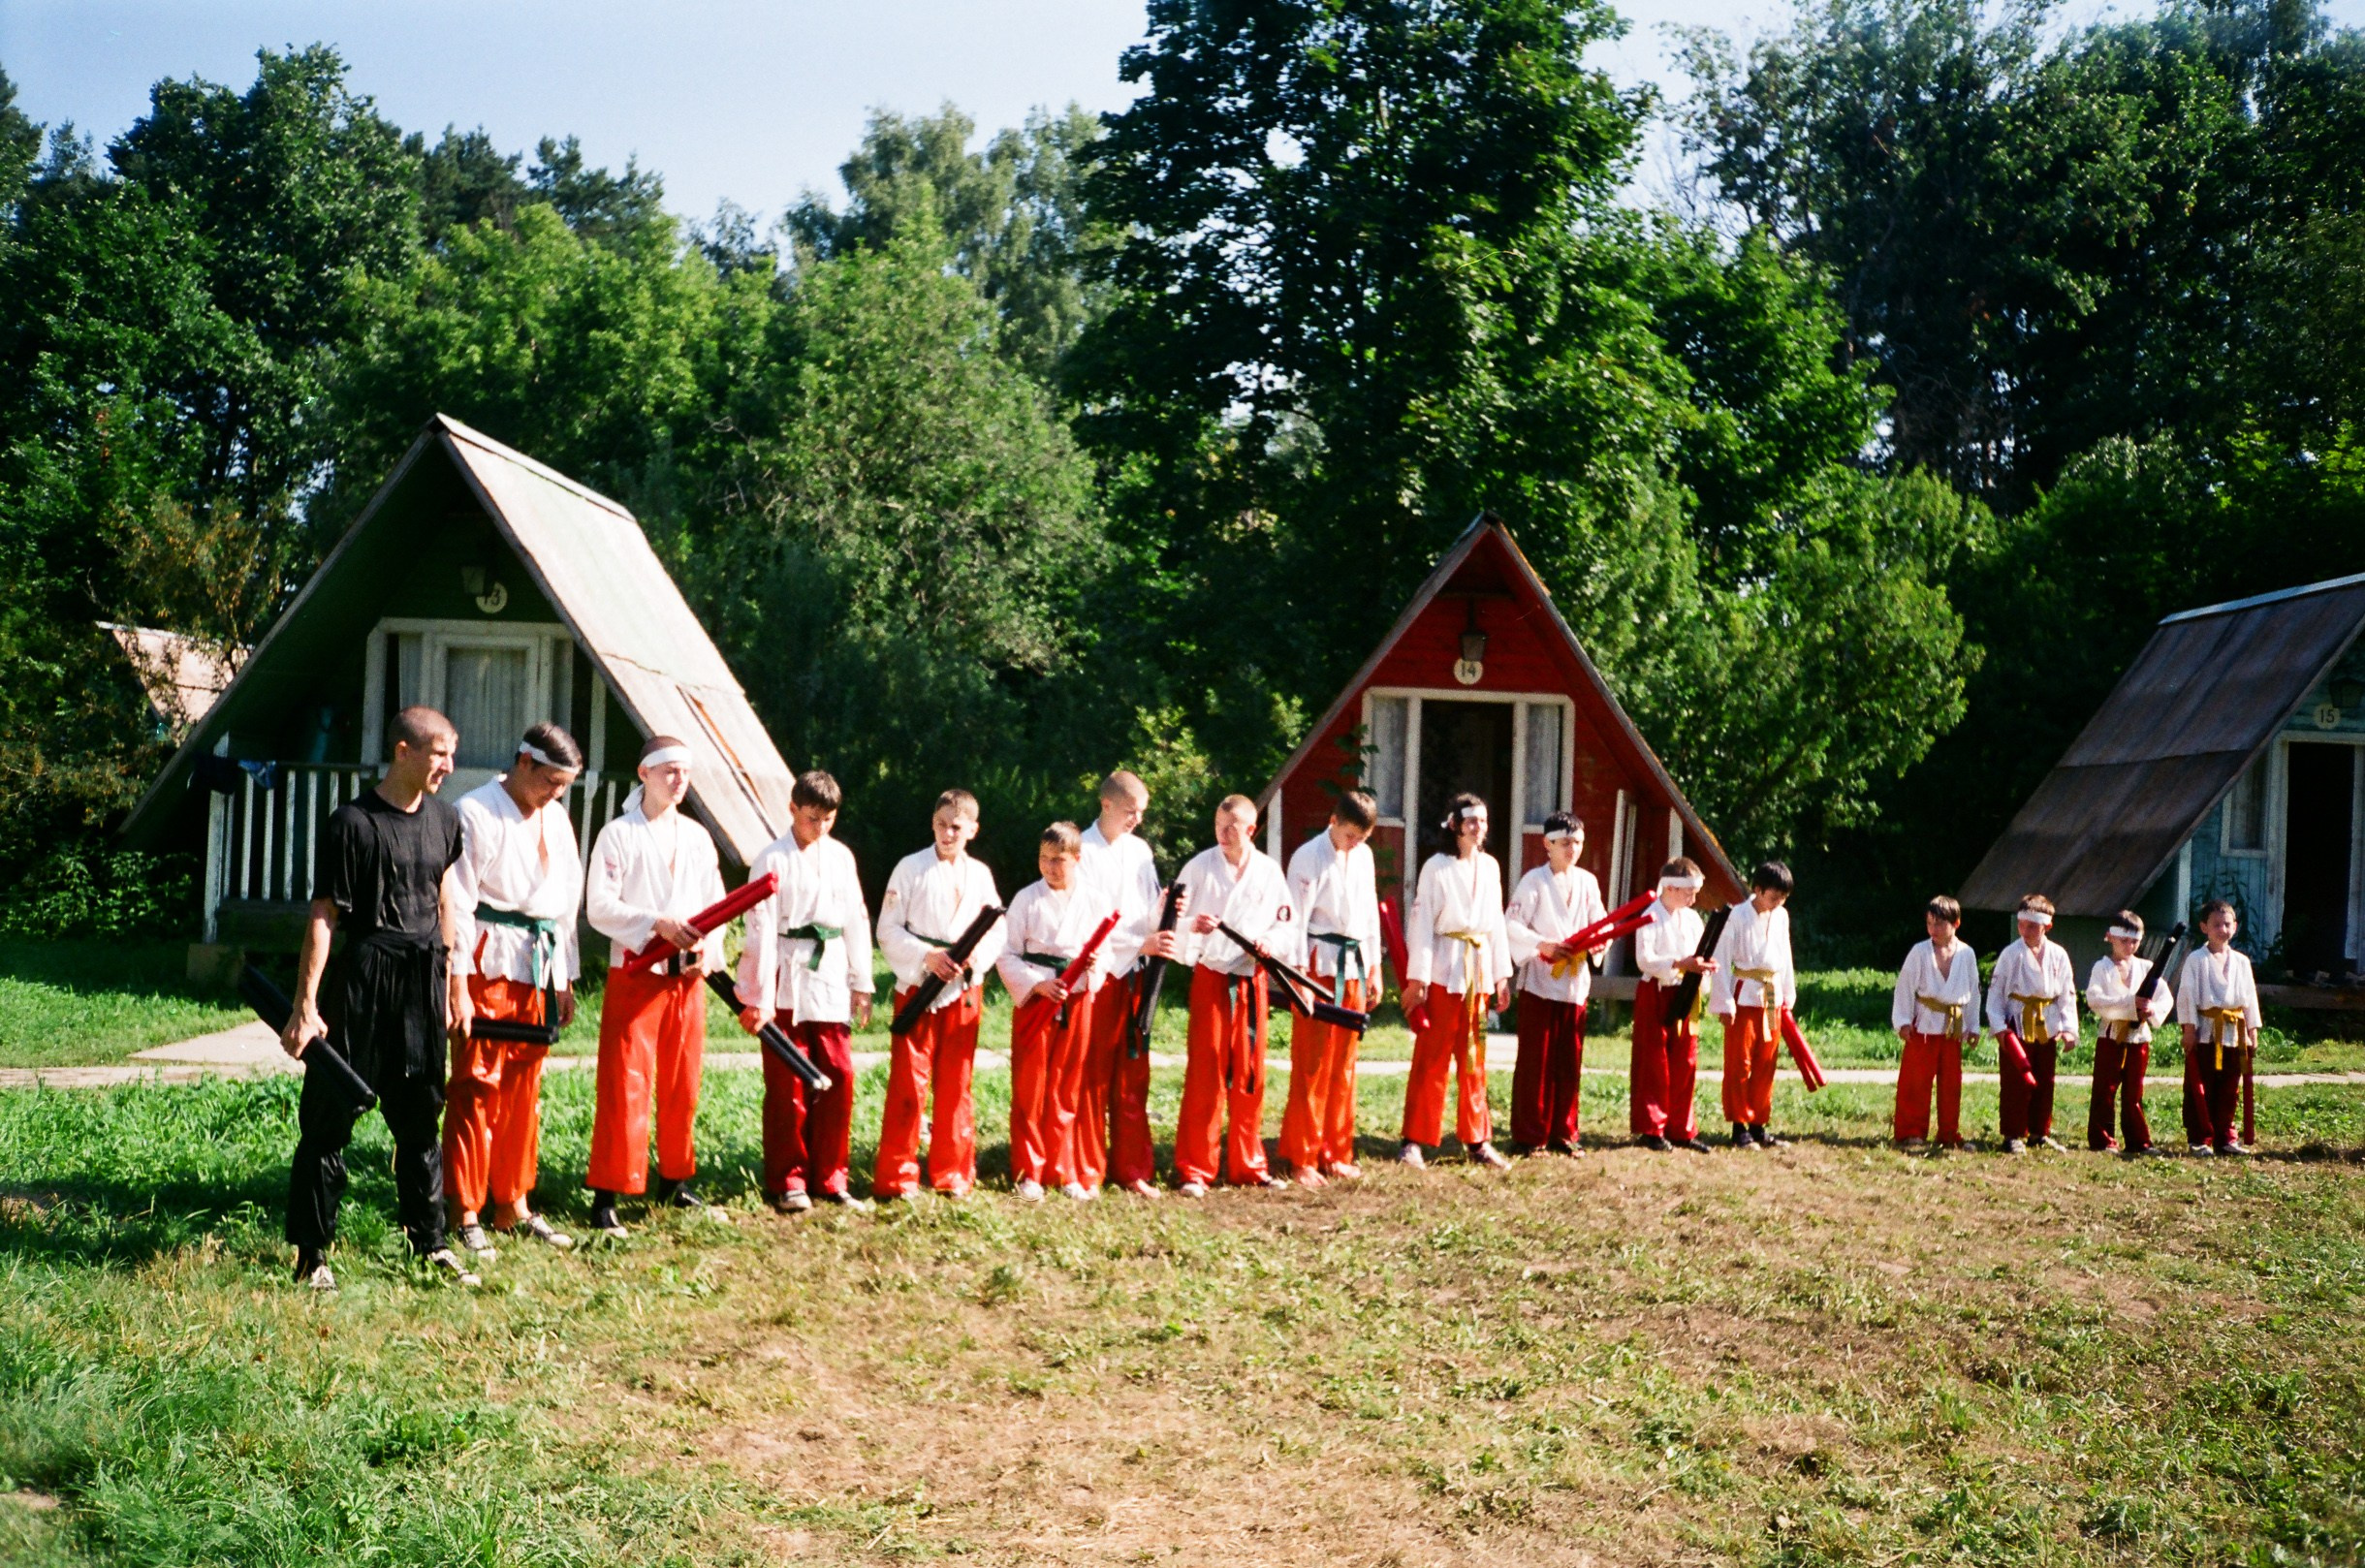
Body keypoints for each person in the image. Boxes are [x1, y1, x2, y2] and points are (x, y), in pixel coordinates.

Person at [281, 705, 478, 1290]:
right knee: (329, 1117)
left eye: (451, 754)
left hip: (422, 979)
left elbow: (444, 899)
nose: (448, 766)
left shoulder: (445, 820)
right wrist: (306, 1006)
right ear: (403, 751)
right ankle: (312, 1255)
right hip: (365, 977)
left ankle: (431, 1243)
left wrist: (453, 984)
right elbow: (324, 915)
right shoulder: (353, 823)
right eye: (439, 754)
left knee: (421, 1119)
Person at [444, 722, 584, 1257]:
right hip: (489, 959)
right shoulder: (475, 811)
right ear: (524, 762)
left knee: (525, 1086)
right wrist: (457, 983)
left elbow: (565, 904)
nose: (556, 794)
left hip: (538, 965)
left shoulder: (557, 818)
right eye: (550, 782)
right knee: (476, 1083)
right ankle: (465, 1208)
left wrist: (564, 977)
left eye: (564, 786)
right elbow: (457, 904)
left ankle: (514, 1203)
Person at [583, 736, 727, 1238]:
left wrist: (708, 951)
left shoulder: (698, 837)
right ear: (644, 773)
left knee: (683, 1082)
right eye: (669, 770)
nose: (678, 780)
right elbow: (600, 907)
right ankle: (608, 1192)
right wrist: (654, 923)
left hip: (686, 979)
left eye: (685, 772)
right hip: (637, 973)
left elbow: (717, 904)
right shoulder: (618, 835)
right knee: (626, 1082)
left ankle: (675, 1180)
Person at [740, 770, 873, 1211]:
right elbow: (759, 929)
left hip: (830, 969)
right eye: (812, 818)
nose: (820, 827)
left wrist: (862, 981)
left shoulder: (841, 857)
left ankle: (831, 1177)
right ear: (793, 809)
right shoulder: (771, 859)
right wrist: (758, 997)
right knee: (788, 1083)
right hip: (785, 970)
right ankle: (790, 1179)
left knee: (839, 1073)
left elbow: (855, 918)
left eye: (828, 819)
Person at [874, 789, 1005, 1202]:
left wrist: (975, 958)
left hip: (963, 988)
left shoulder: (980, 875)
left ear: (973, 830)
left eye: (957, 827)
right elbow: (887, 929)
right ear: (932, 823)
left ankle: (953, 1172)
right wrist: (926, 956)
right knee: (908, 1083)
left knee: (957, 1083)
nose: (948, 834)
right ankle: (898, 1174)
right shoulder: (910, 868)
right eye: (942, 825)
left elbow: (996, 929)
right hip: (918, 984)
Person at [1172, 795, 1295, 1195]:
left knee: (1249, 1072)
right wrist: (1194, 925)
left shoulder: (1268, 872)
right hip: (1211, 975)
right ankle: (1196, 1169)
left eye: (1232, 828)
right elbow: (1169, 917)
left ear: (1251, 830)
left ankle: (1249, 1164)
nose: (1222, 834)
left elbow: (1286, 925)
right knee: (1206, 1071)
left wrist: (1268, 943)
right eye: (1218, 826)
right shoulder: (1199, 867)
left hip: (1250, 978)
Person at [1399, 793, 1514, 1171]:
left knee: (1473, 1058)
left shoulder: (1491, 867)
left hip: (1477, 972)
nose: (1479, 827)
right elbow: (1421, 924)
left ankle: (1477, 1139)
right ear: (1454, 825)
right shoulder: (1436, 867)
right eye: (1471, 821)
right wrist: (1418, 978)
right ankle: (1414, 1140)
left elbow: (1496, 923)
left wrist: (1501, 976)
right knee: (1432, 1057)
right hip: (1444, 971)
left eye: (1483, 821)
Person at [1079, 770, 1178, 1200]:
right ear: (1106, 805)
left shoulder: (1140, 850)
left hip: (1138, 972)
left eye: (1142, 812)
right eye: (1130, 810)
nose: (1137, 819)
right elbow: (1086, 921)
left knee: (1134, 1073)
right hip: (1099, 972)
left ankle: (1133, 1168)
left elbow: (1147, 912)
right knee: (1093, 1073)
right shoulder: (1081, 850)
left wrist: (1166, 910)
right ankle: (1086, 1169)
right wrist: (1140, 943)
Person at [1278, 789, 1382, 1185]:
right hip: (1318, 967)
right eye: (1351, 835)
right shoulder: (1308, 856)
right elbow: (1295, 922)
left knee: (1345, 1065)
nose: (1355, 843)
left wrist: (1374, 968)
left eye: (1363, 838)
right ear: (1333, 821)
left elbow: (1370, 915)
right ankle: (1303, 1156)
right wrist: (1299, 978)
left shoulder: (1364, 857)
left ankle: (1336, 1152)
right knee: (1312, 1065)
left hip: (1354, 965)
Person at [997, 822, 1107, 1201]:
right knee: (1031, 1085)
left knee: (1067, 1084)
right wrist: (1037, 983)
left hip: (1076, 996)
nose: (1051, 867)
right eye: (1044, 859)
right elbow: (1006, 953)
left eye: (1059, 860)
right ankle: (1030, 1171)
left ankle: (1064, 1169)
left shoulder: (1093, 900)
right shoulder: (1026, 899)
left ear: (1077, 858)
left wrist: (1093, 964)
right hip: (1038, 998)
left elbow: (1106, 951)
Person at [1502, 811, 1609, 1156]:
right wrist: (1542, 945)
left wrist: (1598, 943)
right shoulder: (1534, 881)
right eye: (1565, 842)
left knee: (1568, 1059)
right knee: (1537, 1060)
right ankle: (1530, 1134)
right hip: (1541, 980)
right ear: (1547, 844)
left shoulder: (1588, 882)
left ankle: (1564, 1131)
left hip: (1574, 981)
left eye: (1577, 842)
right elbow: (1511, 924)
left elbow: (1602, 924)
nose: (1572, 849)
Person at [1708, 862, 1797, 1149]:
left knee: (1766, 1060)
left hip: (1771, 995)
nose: (1778, 903)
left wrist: (1787, 994)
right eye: (1773, 897)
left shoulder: (1781, 916)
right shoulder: (1737, 915)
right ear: (1757, 890)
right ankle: (1739, 1126)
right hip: (1744, 994)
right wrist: (1724, 1002)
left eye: (1783, 898)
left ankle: (1759, 1123)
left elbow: (1785, 956)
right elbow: (1721, 960)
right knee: (1740, 1062)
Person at [1629, 859, 1716, 1152]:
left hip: (1685, 991)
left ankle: (1681, 1127)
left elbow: (1698, 953)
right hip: (1656, 991)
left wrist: (1703, 967)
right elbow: (1645, 960)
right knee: (1654, 1060)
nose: (1693, 898)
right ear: (1670, 888)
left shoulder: (1692, 919)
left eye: (1695, 892)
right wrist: (1679, 963)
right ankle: (1652, 1127)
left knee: (1685, 1058)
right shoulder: (1650, 916)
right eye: (1688, 892)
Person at [1985, 894, 2078, 1153]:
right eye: (2022, 925)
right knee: (2015, 1081)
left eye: (2032, 926)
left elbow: (2067, 993)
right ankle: (2012, 1134)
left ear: (2047, 926)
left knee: (2045, 1080)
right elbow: (1996, 993)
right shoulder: (2010, 954)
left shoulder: (2058, 954)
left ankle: (2039, 1131)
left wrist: (2069, 1028)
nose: (2025, 931)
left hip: (2047, 1023)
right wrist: (1999, 1027)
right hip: (2017, 1022)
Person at [1890, 895, 1980, 1152]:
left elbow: (1974, 991)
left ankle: (1948, 1133)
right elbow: (1904, 987)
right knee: (1915, 1081)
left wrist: (1973, 1026)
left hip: (1953, 1027)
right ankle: (1911, 1132)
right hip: (1924, 1025)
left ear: (1956, 923)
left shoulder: (1967, 954)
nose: (1933, 929)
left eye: (1939, 923)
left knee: (1951, 1084)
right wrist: (1903, 1021)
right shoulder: (1920, 952)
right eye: (1929, 923)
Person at [2085, 909, 2174, 1156]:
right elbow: (2095, 999)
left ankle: (2138, 1141)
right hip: (2111, 1035)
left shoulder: (2147, 968)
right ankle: (2102, 1139)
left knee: (2134, 1091)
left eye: (2134, 941)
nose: (2129, 945)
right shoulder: (2102, 968)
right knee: (2105, 1089)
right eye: (2124, 940)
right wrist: (2129, 1004)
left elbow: (2165, 998)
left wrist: (2151, 1009)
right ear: (2110, 937)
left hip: (2138, 1038)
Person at [2176, 898, 2260, 1157]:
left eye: (2227, 924)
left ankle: (2225, 1137)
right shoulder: (2196, 959)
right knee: (2201, 1085)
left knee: (2229, 1087)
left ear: (2235, 926)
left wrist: (2252, 1030)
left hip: (2234, 1033)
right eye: (2216, 925)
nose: (2222, 929)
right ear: (2204, 927)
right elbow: (2187, 995)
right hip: (2205, 1031)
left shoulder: (2241, 962)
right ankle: (2199, 1137)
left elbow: (2249, 997)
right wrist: (2189, 1029)